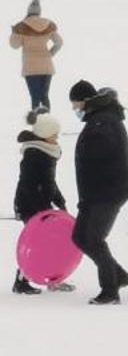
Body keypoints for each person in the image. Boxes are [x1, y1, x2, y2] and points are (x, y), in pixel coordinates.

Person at [68, 80, 128, 304]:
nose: (75, 109)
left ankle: (110, 291)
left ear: (86, 100)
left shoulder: (104, 120)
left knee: (94, 240)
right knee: (79, 237)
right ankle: (118, 275)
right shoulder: (98, 118)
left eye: (76, 104)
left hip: (108, 191)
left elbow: (101, 155)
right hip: (94, 192)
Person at [12, 111, 65, 295]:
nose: (57, 137)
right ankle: (21, 282)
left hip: (42, 205)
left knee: (52, 243)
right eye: (54, 134)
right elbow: (28, 185)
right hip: (30, 206)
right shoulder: (34, 155)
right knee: (36, 244)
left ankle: (53, 278)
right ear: (43, 135)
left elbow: (49, 181)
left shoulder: (47, 151)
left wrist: (60, 201)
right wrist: (40, 211)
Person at [10, 0, 62, 112]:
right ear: (39, 11)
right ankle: (48, 123)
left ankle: (38, 125)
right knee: (44, 96)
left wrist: (14, 33)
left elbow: (14, 45)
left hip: (30, 67)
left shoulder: (21, 26)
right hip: (47, 66)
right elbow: (59, 42)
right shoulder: (48, 24)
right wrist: (50, 54)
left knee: (35, 97)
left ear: (28, 11)